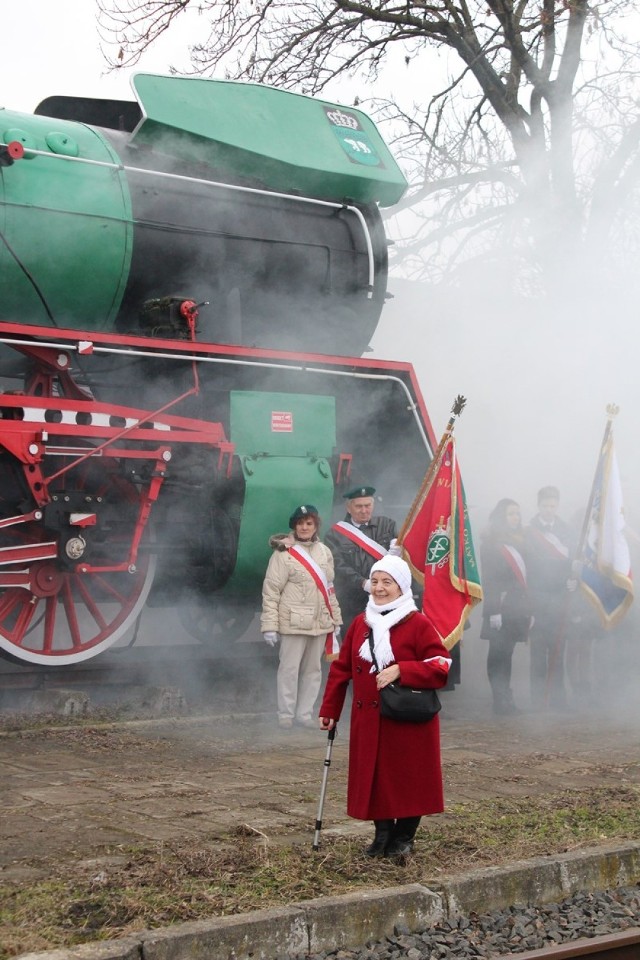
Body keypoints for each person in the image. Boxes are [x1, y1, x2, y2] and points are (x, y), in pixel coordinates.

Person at [318, 554, 451, 859]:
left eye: (386, 582)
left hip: (407, 719)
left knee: (408, 779)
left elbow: (441, 665)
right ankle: (382, 835)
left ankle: (404, 837)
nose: (378, 588)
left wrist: (404, 669)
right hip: (370, 718)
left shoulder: (418, 623)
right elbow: (342, 669)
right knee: (375, 779)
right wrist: (330, 710)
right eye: (375, 581)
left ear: (402, 587)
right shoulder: (361, 623)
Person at [261, 504, 342, 730]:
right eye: (300, 523)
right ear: (294, 526)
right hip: (294, 622)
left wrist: (336, 620)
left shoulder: (324, 552)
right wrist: (269, 625)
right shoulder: (283, 554)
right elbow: (271, 591)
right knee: (288, 670)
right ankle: (285, 714)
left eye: (309, 523)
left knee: (313, 671)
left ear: (316, 525)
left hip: (320, 622)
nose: (304, 527)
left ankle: (304, 714)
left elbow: (329, 589)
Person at [480, 499, 532, 715]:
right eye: (511, 514)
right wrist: (494, 611)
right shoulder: (491, 544)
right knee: (497, 654)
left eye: (517, 514)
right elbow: (490, 580)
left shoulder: (521, 542)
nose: (515, 518)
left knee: (508, 653)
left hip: (517, 607)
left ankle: (506, 699)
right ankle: (499, 699)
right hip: (500, 607)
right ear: (501, 516)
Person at [525, 486, 575, 709]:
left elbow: (572, 559)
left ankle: (558, 698)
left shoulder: (566, 529)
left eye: (553, 506)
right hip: (538, 596)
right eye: (545, 505)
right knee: (538, 651)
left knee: (558, 648)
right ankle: (538, 699)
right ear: (538, 505)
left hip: (559, 596)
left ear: (558, 505)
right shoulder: (529, 531)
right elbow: (528, 564)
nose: (549, 510)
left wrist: (573, 579)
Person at [324, 485, 399, 632]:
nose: (364, 510)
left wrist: (399, 552)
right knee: (354, 646)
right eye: (359, 506)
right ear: (348, 507)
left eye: (367, 505)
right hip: (351, 601)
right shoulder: (334, 535)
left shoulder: (388, 525)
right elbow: (337, 565)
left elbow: (402, 560)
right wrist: (362, 582)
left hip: (383, 599)